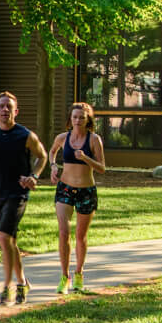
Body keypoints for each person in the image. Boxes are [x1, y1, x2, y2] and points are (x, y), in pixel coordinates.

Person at [0, 91, 47, 305]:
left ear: (16, 111)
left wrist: (34, 176)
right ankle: (23, 282)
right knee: (10, 242)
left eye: (9, 107)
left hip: (17, 192)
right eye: (2, 106)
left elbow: (42, 156)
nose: (5, 110)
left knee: (4, 239)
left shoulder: (25, 135)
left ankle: (8, 287)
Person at [49, 100, 105, 294]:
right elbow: (52, 152)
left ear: (87, 119)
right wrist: (53, 166)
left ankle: (79, 273)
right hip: (64, 189)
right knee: (64, 233)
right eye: (74, 117)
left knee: (80, 236)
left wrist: (86, 158)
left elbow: (102, 168)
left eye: (81, 117)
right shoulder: (62, 138)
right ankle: (65, 276)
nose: (78, 120)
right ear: (70, 119)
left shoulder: (94, 140)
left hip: (86, 191)